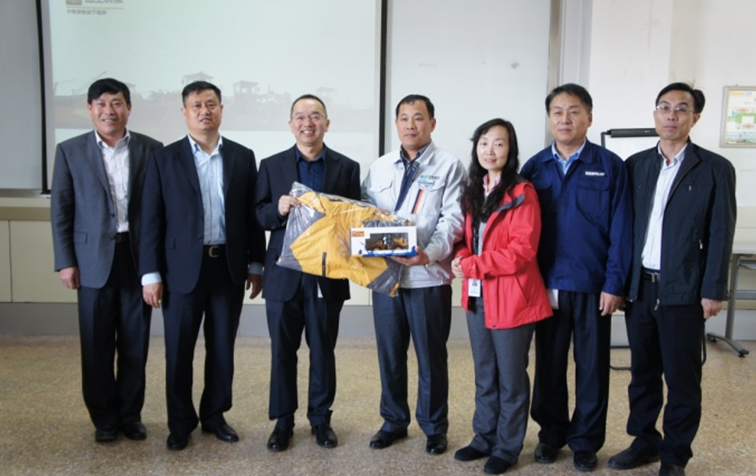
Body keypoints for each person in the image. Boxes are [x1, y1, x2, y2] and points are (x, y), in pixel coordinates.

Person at [608, 83, 737, 476]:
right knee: (643, 374)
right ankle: (644, 442)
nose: (671, 115)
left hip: (684, 290)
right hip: (641, 289)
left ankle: (675, 455)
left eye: (681, 109)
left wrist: (713, 290)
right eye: (664, 107)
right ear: (654, 114)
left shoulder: (714, 169)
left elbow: (720, 233)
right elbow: (623, 229)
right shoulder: (635, 165)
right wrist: (621, 284)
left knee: (682, 379)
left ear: (695, 118)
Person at [139, 81, 265, 451]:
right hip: (179, 271)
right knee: (179, 350)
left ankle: (214, 415)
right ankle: (180, 423)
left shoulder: (242, 156)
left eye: (211, 104)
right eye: (196, 105)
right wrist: (150, 274)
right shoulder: (164, 158)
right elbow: (151, 221)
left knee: (222, 347)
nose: (204, 111)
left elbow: (251, 216)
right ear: (184, 112)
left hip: (227, 267)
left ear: (221, 109)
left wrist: (256, 263)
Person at [520, 83, 632, 472]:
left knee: (592, 367)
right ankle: (551, 435)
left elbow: (622, 229)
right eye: (557, 112)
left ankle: (585, 441)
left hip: (593, 284)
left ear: (589, 117)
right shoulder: (534, 167)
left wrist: (614, 283)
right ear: (549, 118)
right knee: (549, 365)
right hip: (546, 283)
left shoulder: (610, 165)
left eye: (574, 111)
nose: (565, 119)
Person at [51, 78, 163, 443]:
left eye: (116, 103)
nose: (108, 111)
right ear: (90, 109)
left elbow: (159, 211)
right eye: (100, 104)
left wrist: (157, 265)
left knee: (135, 342)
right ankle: (104, 419)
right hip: (91, 260)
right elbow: (61, 211)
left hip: (136, 257)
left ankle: (130, 415)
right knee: (96, 344)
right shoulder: (69, 151)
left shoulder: (152, 149)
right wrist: (66, 261)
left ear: (128, 107)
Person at [254, 94, 360, 452]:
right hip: (283, 275)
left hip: (327, 275)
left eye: (315, 116)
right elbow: (258, 214)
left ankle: (320, 420)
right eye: (300, 116)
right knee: (282, 351)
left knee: (323, 350)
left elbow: (355, 220)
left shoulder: (347, 167)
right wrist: (278, 209)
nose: (307, 122)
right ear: (290, 125)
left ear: (327, 124)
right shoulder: (271, 165)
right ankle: (283, 421)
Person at [361, 94, 465, 456]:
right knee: (390, 353)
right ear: (396, 124)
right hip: (385, 278)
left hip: (428, 277)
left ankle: (434, 427)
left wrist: (428, 254)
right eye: (404, 118)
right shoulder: (380, 167)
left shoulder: (449, 165)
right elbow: (365, 213)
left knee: (430, 356)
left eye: (418, 118)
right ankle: (393, 421)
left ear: (432, 123)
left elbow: (453, 220)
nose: (410, 125)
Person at [451, 119, 552, 474]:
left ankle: (507, 447)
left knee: (511, 379)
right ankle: (484, 437)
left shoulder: (523, 192)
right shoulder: (472, 191)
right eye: (483, 143)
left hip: (513, 298)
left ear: (510, 150)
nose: (489, 150)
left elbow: (522, 251)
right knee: (485, 373)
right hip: (477, 297)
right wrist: (461, 257)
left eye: (498, 143)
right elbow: (466, 240)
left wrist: (474, 264)